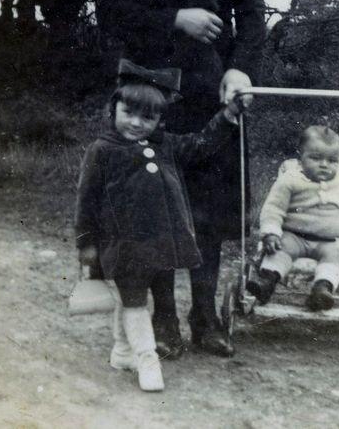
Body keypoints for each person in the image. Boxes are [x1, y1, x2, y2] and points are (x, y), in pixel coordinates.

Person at [97, 0, 266, 357]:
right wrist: (176, 18)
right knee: (153, 205)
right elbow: (110, 10)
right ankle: (165, 321)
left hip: (209, 89)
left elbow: (252, 16)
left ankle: (207, 318)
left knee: (208, 209)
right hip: (147, 89)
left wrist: (240, 69)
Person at [75, 60, 244, 392]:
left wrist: (227, 117)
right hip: (122, 243)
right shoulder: (102, 151)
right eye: (129, 113)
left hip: (162, 243)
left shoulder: (164, 144)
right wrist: (86, 243)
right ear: (114, 109)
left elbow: (201, 145)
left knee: (131, 298)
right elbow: (86, 201)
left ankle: (123, 351)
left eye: (148, 117)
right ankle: (147, 358)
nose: (137, 123)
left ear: (159, 119)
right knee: (137, 300)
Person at [247, 125, 339, 310]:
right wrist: (271, 233)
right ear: (301, 157)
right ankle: (267, 282)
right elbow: (273, 208)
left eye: (332, 160)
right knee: (279, 251)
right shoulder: (290, 179)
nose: (324, 165)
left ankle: (322, 290)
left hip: (331, 241)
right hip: (294, 235)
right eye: (315, 158)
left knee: (335, 257)